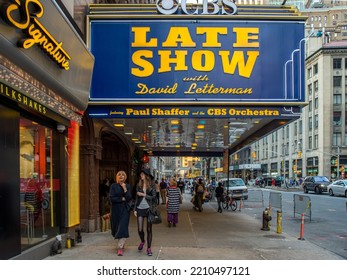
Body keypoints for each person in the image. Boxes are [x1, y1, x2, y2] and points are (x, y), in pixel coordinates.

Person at [109, 171, 132, 256]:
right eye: (119, 175)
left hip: (125, 210)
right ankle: (121, 242)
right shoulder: (113, 186)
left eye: (123, 175)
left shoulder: (127, 186)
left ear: (125, 177)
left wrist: (125, 189)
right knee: (116, 228)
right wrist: (121, 199)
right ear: (117, 177)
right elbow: (112, 198)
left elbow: (129, 198)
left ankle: (120, 247)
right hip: (116, 210)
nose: (121, 176)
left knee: (123, 227)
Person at [134, 169, 157, 256]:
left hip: (149, 209)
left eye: (142, 174)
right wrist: (135, 209)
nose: (141, 175)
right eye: (141, 174)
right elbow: (136, 198)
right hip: (140, 208)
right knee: (140, 229)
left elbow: (154, 197)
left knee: (149, 229)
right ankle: (143, 241)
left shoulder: (151, 185)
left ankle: (149, 248)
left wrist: (144, 195)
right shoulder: (138, 184)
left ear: (147, 176)